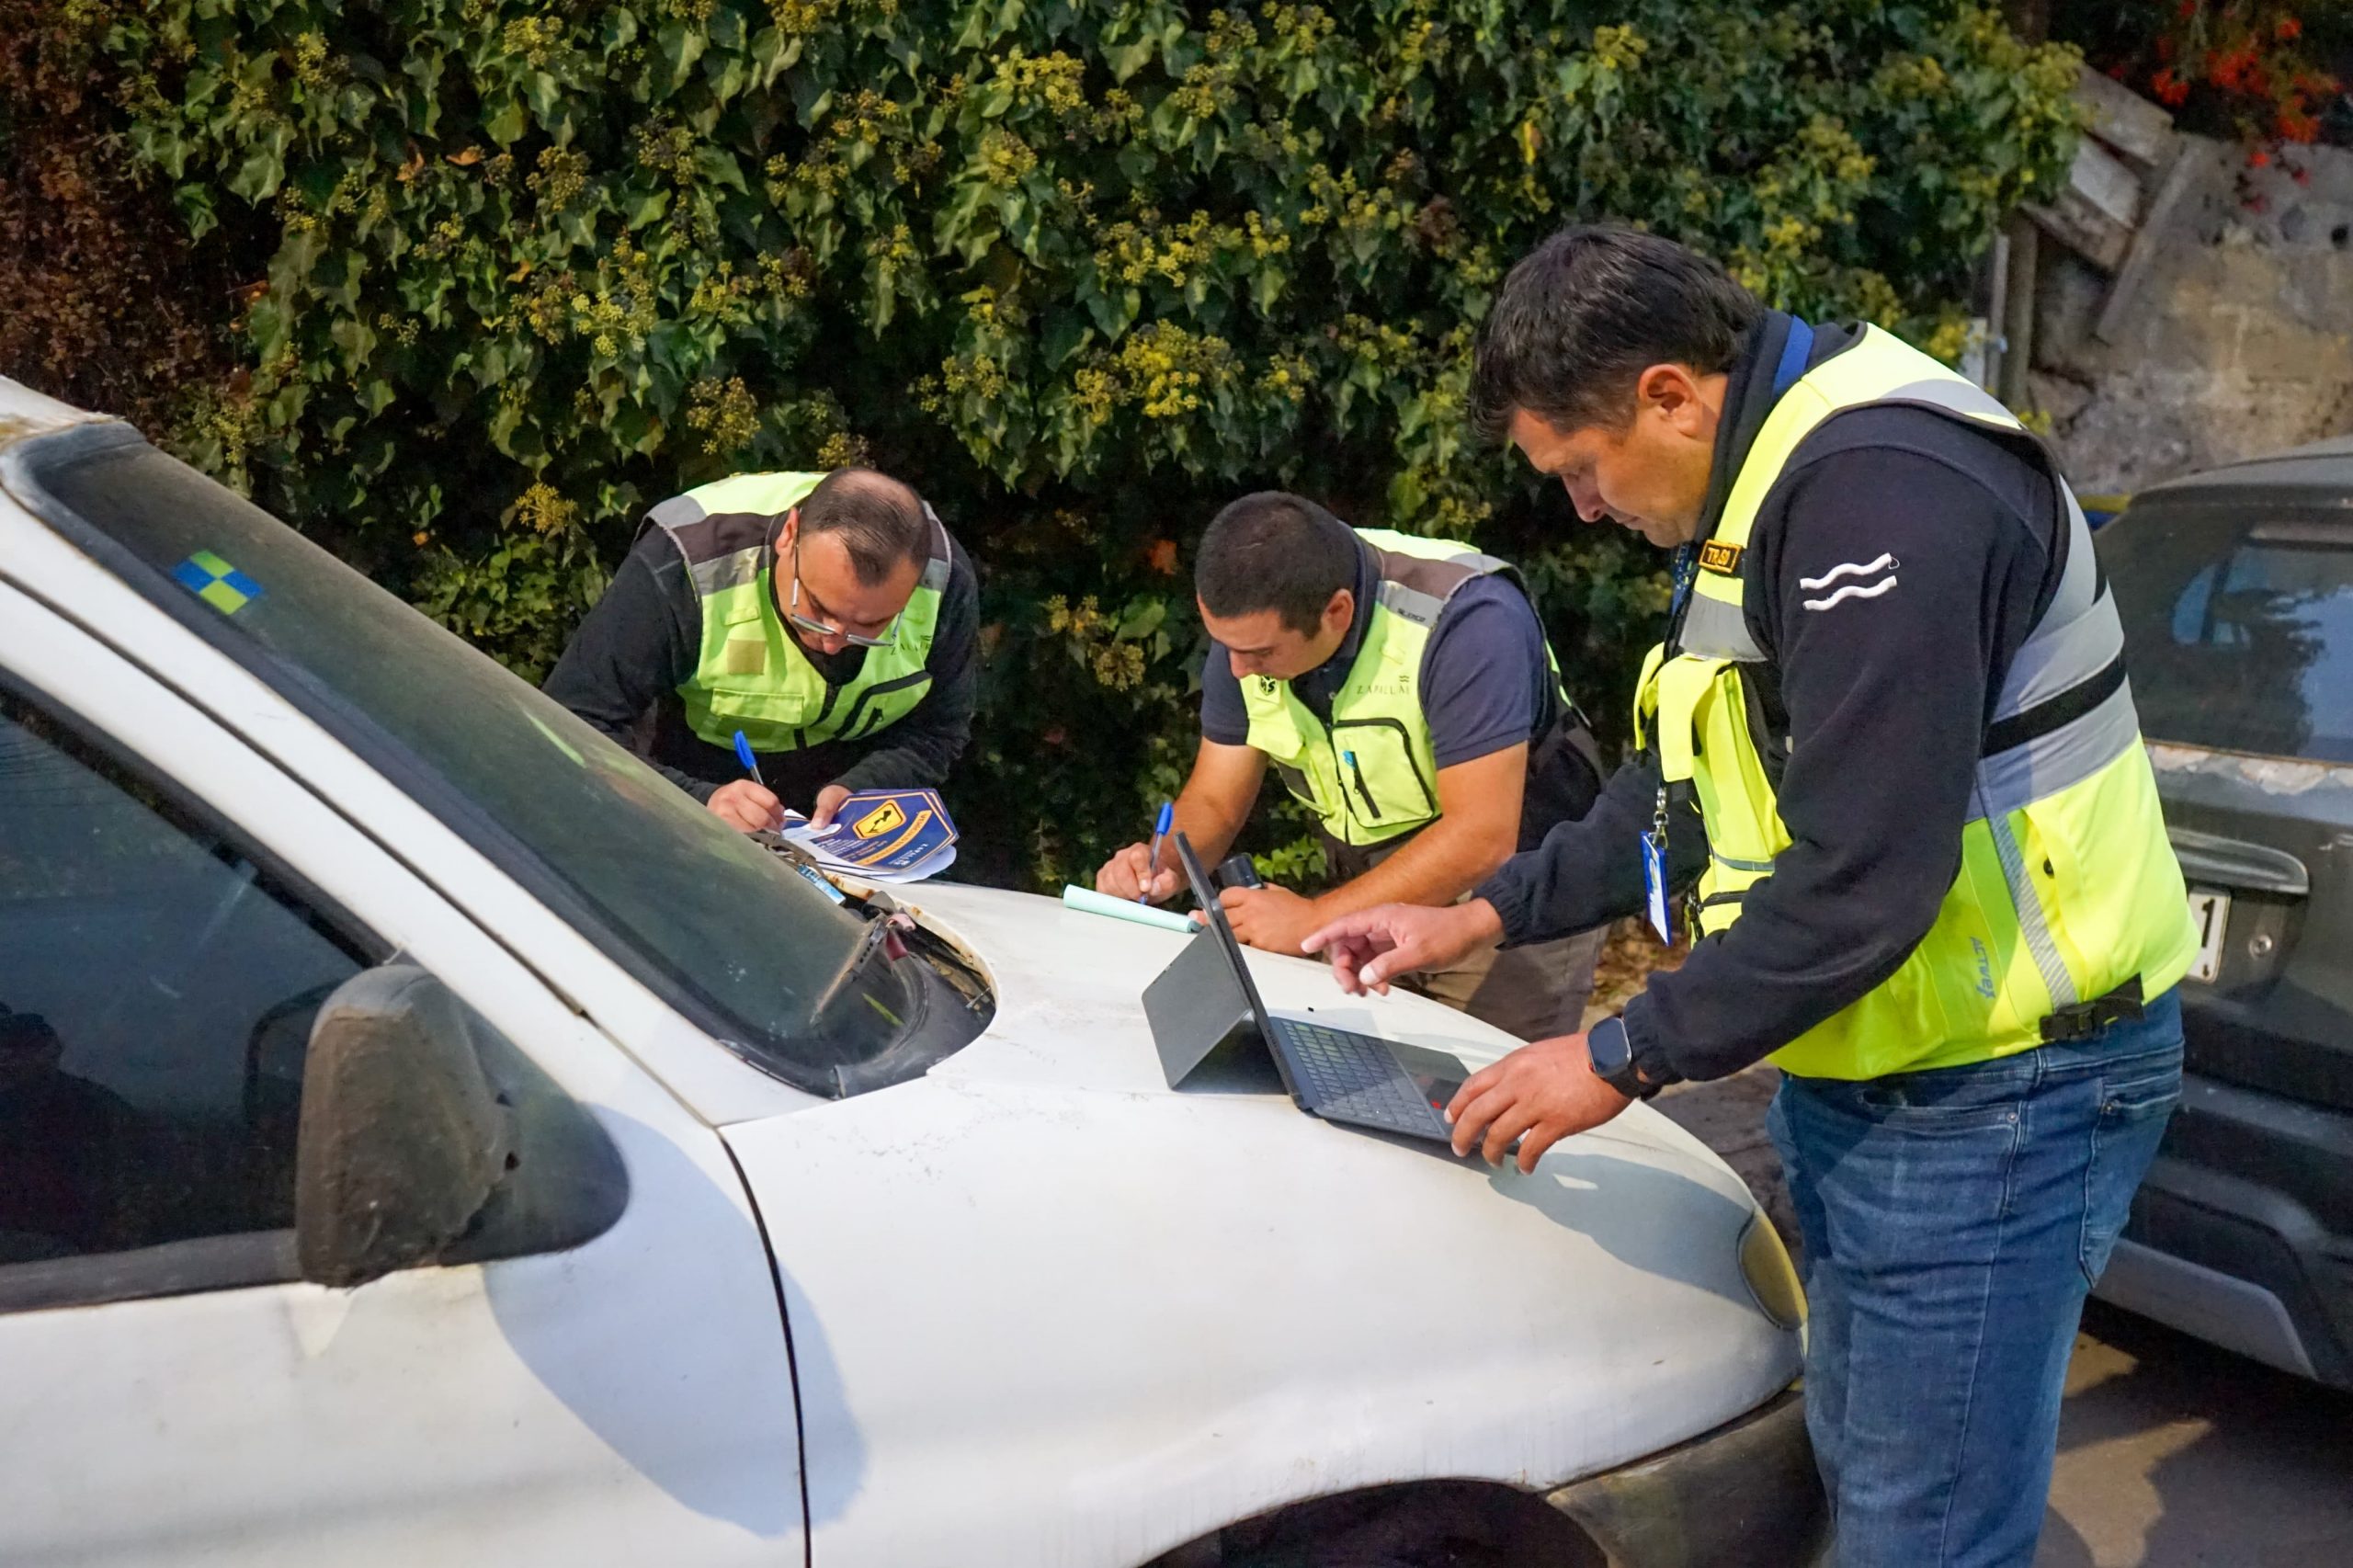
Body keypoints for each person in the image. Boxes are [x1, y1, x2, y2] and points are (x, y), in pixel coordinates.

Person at [1304, 226, 2196, 1567]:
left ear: (1670, 391)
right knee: (1862, 1471)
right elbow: (1679, 785)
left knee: (1923, 1533)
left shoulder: (1878, 500)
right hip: (1889, 1066)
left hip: (2005, 1093)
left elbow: (1863, 880)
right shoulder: (1766, 477)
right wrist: (1479, 911)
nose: (1584, 510)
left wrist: (1619, 1052)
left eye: (1583, 470)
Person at [1097, 492, 1607, 1041]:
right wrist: (1165, 859)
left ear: (1336, 612)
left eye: (1261, 653)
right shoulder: (1252, 626)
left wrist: (1314, 921)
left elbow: (1482, 835)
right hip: (1369, 894)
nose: (1239, 669)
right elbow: (1216, 798)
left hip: (1509, 907)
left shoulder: (1468, 622)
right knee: (1363, 1100)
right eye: (1224, 645)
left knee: (1480, 1107)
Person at [546, 467, 979, 831]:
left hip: (835, 815)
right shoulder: (687, 562)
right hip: (684, 776)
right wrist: (697, 799)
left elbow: (940, 731)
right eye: (816, 608)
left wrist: (862, 787)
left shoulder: (945, 583)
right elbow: (572, 719)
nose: (833, 640)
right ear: (789, 535)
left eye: (871, 625)